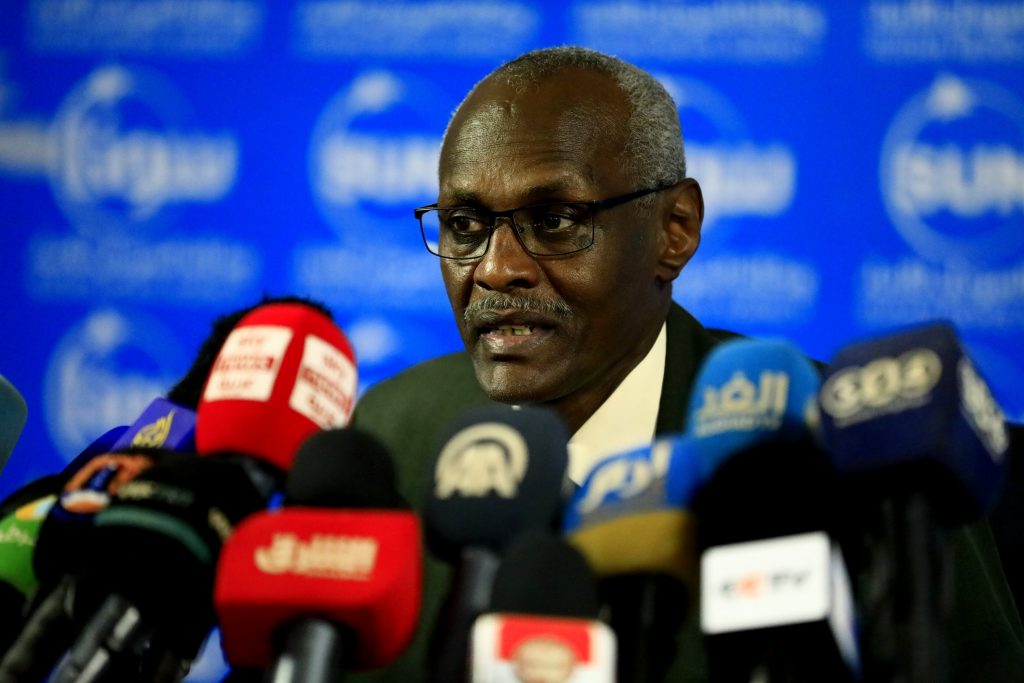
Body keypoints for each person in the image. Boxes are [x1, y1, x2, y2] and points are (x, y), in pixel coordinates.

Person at [349, 47, 1024, 682]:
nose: (497, 269)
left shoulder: (861, 454)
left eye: (554, 219)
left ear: (675, 230)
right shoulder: (393, 434)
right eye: (465, 224)